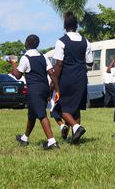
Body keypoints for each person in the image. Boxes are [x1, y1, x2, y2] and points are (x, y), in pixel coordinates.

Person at [9, 34, 59, 149]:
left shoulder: (25, 58)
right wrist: (57, 89)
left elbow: (17, 75)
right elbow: (52, 73)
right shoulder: (43, 56)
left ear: (26, 43)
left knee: (41, 114)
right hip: (45, 88)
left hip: (34, 90)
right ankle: (24, 138)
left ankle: (52, 142)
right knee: (32, 114)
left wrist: (13, 63)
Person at [53, 11, 93, 144]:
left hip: (67, 77)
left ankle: (77, 127)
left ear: (65, 25)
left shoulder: (61, 41)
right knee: (76, 108)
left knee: (62, 106)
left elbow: (59, 65)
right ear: (76, 25)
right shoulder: (85, 41)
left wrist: (54, 82)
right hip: (82, 76)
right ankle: (76, 138)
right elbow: (90, 63)